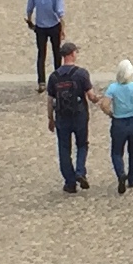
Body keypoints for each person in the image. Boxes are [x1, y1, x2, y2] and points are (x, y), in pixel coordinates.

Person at [47, 41, 94, 194]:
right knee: (82, 144)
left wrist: (50, 118)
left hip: (62, 117)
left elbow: (50, 100)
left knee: (64, 149)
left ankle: (70, 182)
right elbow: (91, 95)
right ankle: (80, 171)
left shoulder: (54, 77)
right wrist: (99, 99)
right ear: (72, 54)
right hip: (79, 115)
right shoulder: (81, 74)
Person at [105, 61, 133, 193]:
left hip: (119, 122)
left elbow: (104, 104)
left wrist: (110, 114)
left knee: (117, 152)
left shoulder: (113, 88)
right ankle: (132, 178)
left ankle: (120, 173)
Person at [24, 0, 67, 87]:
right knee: (56, 52)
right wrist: (63, 27)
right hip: (53, 24)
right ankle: (58, 80)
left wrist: (29, 20)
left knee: (41, 53)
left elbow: (30, 6)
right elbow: (59, 10)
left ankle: (41, 81)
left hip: (40, 25)